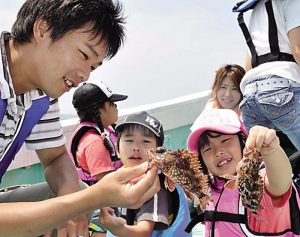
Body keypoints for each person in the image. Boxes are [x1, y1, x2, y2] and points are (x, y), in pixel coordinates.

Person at [0, 0, 160, 236]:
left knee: (75, 192)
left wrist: (73, 201)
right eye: (83, 54)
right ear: (42, 29)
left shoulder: (42, 95)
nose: (84, 76)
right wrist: (87, 200)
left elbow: (55, 157)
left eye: (93, 67)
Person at [185, 109, 300, 236]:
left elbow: (280, 183)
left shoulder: (259, 178)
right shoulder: (211, 187)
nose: (218, 152)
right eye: (207, 148)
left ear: (243, 141)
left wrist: (271, 151)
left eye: (225, 140)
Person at [99, 111, 192, 237]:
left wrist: (114, 227)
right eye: (129, 140)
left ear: (158, 152)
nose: (136, 147)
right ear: (117, 149)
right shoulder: (121, 175)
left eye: (146, 141)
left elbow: (143, 232)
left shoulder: (155, 186)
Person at [232, 0, 300, 150]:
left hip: (250, 99)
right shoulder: (292, 3)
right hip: (281, 91)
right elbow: (298, 51)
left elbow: (249, 66)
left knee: (267, 163)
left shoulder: (254, 12)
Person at [70, 80, 127, 236]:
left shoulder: (105, 131)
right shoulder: (94, 142)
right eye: (112, 103)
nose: (116, 107)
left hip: (106, 201)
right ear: (99, 110)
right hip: (99, 209)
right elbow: (107, 184)